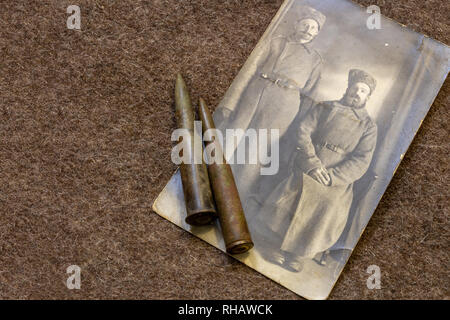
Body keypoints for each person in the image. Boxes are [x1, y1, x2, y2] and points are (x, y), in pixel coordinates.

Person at [254, 69, 378, 273]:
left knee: (328, 202)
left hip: (337, 178)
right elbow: (303, 132)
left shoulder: (368, 126)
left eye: (363, 90)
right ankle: (277, 244)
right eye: (355, 87)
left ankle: (298, 253)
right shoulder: (326, 107)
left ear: (368, 97)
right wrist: (312, 164)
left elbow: (362, 160)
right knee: (296, 189)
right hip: (309, 160)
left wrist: (332, 177)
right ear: (347, 89)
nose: (357, 92)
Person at [222, 6, 326, 202]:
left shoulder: (315, 60)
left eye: (314, 28)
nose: (308, 30)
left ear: (316, 34)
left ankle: (235, 198)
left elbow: (310, 96)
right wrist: (230, 102)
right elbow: (248, 70)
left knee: (257, 149)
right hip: (254, 92)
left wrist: (298, 125)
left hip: (283, 106)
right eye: (306, 24)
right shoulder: (275, 42)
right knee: (231, 136)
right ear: (296, 24)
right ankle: (208, 182)